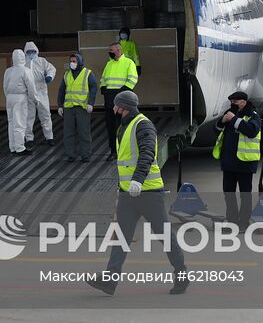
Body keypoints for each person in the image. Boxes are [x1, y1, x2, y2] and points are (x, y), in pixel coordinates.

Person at [86, 90, 188, 296]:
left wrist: (137, 180)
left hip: (149, 193)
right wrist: (122, 189)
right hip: (128, 195)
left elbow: (148, 153)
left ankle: (182, 274)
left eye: (116, 105)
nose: (113, 108)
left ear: (124, 106)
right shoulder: (123, 127)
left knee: (165, 236)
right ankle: (110, 281)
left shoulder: (143, 125)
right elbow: (126, 163)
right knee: (121, 238)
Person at [214, 91, 262, 229]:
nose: (232, 104)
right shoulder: (228, 115)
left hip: (245, 163)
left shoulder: (252, 116)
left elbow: (252, 131)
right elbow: (216, 130)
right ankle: (232, 221)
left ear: (243, 102)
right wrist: (221, 122)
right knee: (229, 195)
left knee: (245, 196)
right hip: (228, 163)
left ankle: (243, 223)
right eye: (231, 102)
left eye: (235, 102)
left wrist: (234, 120)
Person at [99, 42, 139, 160]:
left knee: (122, 127)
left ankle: (124, 152)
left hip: (122, 100)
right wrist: (103, 88)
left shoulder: (128, 63)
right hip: (109, 99)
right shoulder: (109, 64)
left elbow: (132, 79)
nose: (109, 52)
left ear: (118, 51)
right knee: (111, 127)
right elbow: (103, 78)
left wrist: (123, 92)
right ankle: (113, 151)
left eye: (111, 50)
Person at [56, 52, 98, 162]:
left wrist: (90, 103)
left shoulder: (87, 73)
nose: (72, 63)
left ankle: (85, 155)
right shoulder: (67, 74)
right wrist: (60, 106)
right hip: (69, 108)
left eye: (74, 61)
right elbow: (61, 91)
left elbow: (94, 87)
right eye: (71, 61)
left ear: (79, 62)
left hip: (82, 107)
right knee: (68, 132)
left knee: (84, 132)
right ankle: (71, 154)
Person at [22, 41, 57, 146]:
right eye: (29, 52)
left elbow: (52, 68)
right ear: (25, 52)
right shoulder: (23, 63)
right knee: (28, 116)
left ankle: (49, 137)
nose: (31, 53)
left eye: (33, 51)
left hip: (41, 91)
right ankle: (29, 139)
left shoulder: (42, 61)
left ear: (36, 51)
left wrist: (49, 76)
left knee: (45, 114)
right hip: (28, 93)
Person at [2, 49, 33, 155]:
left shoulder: (8, 71)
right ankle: (20, 148)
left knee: (11, 122)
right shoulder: (25, 70)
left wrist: (8, 96)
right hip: (21, 98)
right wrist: (34, 99)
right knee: (20, 123)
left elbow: (5, 86)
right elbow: (31, 86)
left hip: (9, 98)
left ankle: (13, 147)